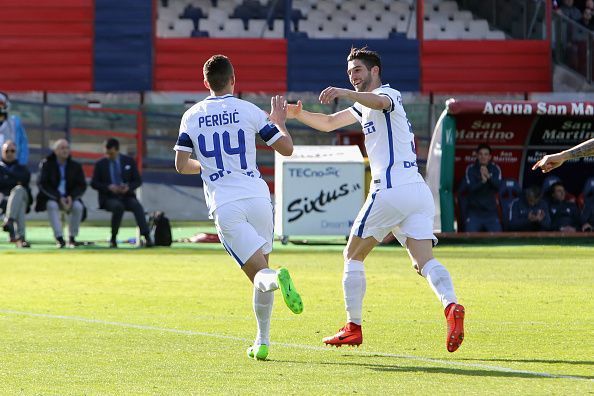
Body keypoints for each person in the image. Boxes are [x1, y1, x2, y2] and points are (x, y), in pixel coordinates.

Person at [286, 47, 465, 352]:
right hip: (415, 192)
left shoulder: (388, 94)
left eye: (357, 70)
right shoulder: (364, 105)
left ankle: (352, 327)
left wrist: (345, 92)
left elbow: (379, 101)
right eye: (349, 72)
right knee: (424, 261)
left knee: (352, 256)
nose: (352, 76)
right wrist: (298, 114)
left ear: (374, 71)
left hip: (391, 189)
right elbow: (330, 123)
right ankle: (452, 307)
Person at [173, 54, 303, 361]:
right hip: (258, 197)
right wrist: (280, 121)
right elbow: (286, 148)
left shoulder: (192, 115)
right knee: (262, 266)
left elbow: (180, 165)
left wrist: (206, 167)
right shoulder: (249, 110)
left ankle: (276, 280)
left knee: (262, 276)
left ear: (206, 82)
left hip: (226, 204)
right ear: (234, 79)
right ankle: (263, 341)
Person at [91, 138, 152, 248]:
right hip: (109, 198)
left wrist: (128, 188)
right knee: (118, 207)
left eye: (111, 153)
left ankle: (147, 236)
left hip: (126, 196)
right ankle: (113, 238)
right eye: (107, 153)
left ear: (117, 150)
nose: (108, 155)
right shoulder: (100, 164)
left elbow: (137, 181)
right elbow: (94, 183)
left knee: (137, 206)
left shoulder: (128, 161)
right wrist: (109, 187)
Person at [36, 139, 87, 248]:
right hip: (53, 198)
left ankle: (72, 238)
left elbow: (81, 185)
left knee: (78, 206)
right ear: (55, 151)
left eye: (67, 148)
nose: (65, 150)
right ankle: (59, 238)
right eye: (62, 148)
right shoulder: (47, 164)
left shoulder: (75, 166)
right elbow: (42, 184)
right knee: (51, 205)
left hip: (69, 199)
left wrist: (71, 197)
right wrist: (58, 197)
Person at [463, 144, 502, 232]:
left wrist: (488, 177)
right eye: (480, 154)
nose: (483, 157)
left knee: (498, 238)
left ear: (489, 157)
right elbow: (470, 189)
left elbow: (498, 187)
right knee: (469, 238)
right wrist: (482, 182)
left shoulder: (495, 168)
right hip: (474, 212)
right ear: (477, 156)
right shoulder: (471, 169)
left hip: (490, 212)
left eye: (486, 154)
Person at [0, 140, 31, 247]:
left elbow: (24, 182)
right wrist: (13, 180)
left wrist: (6, 180)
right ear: (2, 151)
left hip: (22, 195)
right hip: (4, 200)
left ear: (15, 152)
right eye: (6, 150)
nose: (9, 153)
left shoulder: (22, 168)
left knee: (18, 190)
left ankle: (9, 221)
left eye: (12, 151)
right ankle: (21, 238)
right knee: (19, 204)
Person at [0, 92, 29, 166]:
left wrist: (20, 165)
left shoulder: (14, 123)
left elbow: (23, 146)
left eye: (1, 104)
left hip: (11, 167)